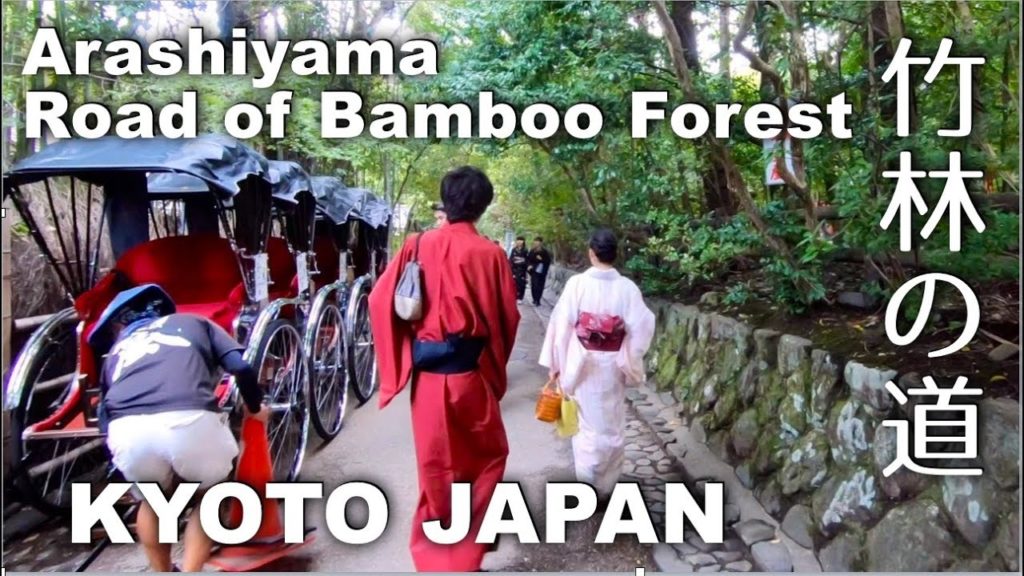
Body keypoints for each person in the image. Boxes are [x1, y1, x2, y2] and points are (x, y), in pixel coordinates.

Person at [369, 166, 521, 571]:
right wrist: (492, 369)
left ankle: (435, 557)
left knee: (435, 468)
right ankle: (467, 553)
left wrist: (404, 352)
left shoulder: (417, 245)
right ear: (482, 207)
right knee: (487, 459)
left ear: (446, 201)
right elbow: (506, 318)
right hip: (471, 376)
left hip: (429, 378)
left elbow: (380, 300)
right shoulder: (491, 254)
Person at [86, 284, 268, 573]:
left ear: (121, 326)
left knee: (150, 498)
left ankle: (162, 571)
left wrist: (119, 464)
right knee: (210, 493)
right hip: (189, 418)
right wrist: (256, 410)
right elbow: (242, 368)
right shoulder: (195, 323)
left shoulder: (118, 351)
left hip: (128, 431)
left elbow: (104, 412)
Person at [539, 230, 655, 501]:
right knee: (612, 423)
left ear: (592, 253)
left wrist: (557, 363)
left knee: (588, 427)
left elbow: (562, 325)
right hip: (613, 364)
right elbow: (642, 326)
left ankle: (588, 483)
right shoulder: (627, 288)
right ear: (615, 254)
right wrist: (627, 356)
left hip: (581, 363)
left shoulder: (578, 284)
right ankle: (608, 483)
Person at [527, 236, 552, 306]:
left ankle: (538, 300)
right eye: (535, 242)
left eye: (538, 242)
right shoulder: (532, 251)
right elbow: (528, 259)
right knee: (534, 285)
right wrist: (529, 265)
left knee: (540, 286)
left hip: (542, 271)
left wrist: (541, 259)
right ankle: (534, 299)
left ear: (541, 243)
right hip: (534, 271)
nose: (536, 244)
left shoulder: (544, 252)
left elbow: (548, 261)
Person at [509, 236, 529, 303]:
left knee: (521, 284)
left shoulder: (525, 250)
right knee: (514, 283)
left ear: (523, 242)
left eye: (521, 240)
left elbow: (527, 260)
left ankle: (520, 298)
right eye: (518, 240)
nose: (519, 242)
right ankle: (515, 296)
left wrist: (522, 261)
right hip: (515, 269)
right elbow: (511, 259)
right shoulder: (514, 250)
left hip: (522, 270)